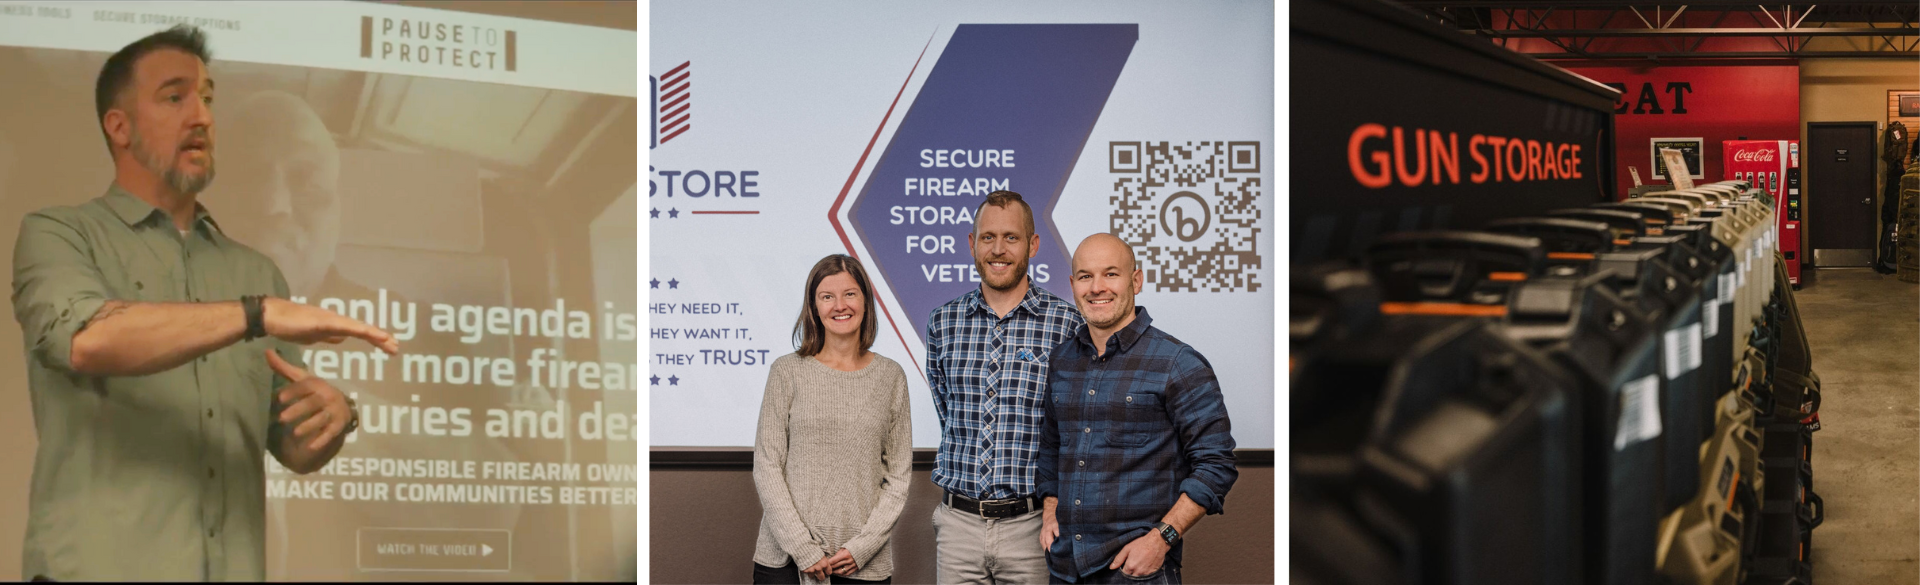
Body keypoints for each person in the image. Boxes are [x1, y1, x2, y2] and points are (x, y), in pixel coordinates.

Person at [8, 25, 401, 580]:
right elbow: (85, 338)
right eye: (176, 97)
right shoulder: (57, 233)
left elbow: (293, 447)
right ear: (118, 127)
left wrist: (335, 419)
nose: (203, 117)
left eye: (209, 98)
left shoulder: (255, 270)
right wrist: (255, 314)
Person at [1036, 233, 1238, 584]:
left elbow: (1216, 465)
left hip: (1138, 572)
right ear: (1072, 284)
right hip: (1066, 569)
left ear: (1136, 280)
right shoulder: (1062, 361)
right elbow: (1052, 446)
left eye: (1111, 274)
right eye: (1085, 276)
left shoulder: (1178, 363)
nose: (1097, 287)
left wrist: (1164, 538)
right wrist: (1050, 509)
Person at [925, 190, 1085, 584]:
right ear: (971, 244)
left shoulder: (1067, 324)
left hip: (1031, 528)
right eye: (988, 237)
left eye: (1011, 237)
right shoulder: (943, 323)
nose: (998, 249)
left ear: (1033, 244)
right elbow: (948, 411)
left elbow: (1072, 427)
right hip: (958, 525)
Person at [753, 254, 912, 584]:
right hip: (785, 563)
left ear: (865, 302)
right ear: (814, 308)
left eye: (850, 294)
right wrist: (803, 548)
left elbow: (898, 477)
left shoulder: (891, 377)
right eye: (827, 297)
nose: (840, 305)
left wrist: (862, 548)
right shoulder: (787, 372)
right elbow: (767, 465)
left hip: (859, 564)